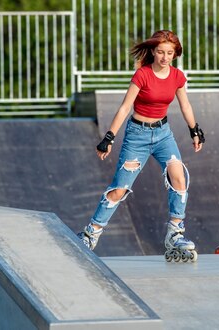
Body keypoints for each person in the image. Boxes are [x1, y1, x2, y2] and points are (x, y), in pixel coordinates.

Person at [78, 30, 205, 262]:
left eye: (169, 53)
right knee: (120, 189)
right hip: (137, 135)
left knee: (179, 177)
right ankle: (90, 234)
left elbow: (185, 106)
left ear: (175, 54)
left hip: (163, 134)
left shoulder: (177, 76)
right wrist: (109, 137)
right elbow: (125, 108)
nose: (165, 57)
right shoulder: (143, 75)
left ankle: (175, 233)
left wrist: (194, 129)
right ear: (153, 52)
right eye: (160, 52)